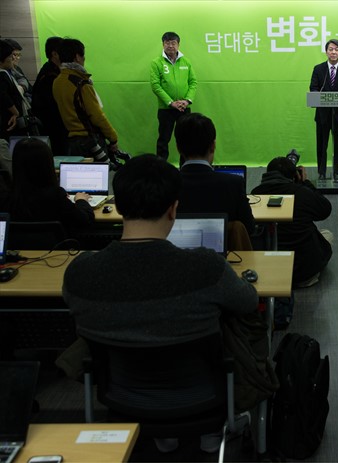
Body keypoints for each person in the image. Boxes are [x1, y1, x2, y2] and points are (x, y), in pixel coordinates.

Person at [62, 154, 258, 453]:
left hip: (121, 397)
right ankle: (212, 432)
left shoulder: (80, 273)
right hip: (204, 395)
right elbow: (248, 303)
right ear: (173, 209)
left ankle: (163, 437)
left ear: (118, 206)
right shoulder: (206, 267)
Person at [251, 156, 333, 288]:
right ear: (295, 175)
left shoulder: (256, 194)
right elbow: (325, 210)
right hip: (304, 274)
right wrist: (305, 182)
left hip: (269, 272)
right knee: (327, 235)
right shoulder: (302, 192)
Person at [174, 112, 254, 234]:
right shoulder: (234, 184)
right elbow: (249, 229)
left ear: (178, 148)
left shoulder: (165, 185)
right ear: (213, 146)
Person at [52, 38, 121, 166]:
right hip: (90, 142)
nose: (84, 59)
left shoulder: (57, 81)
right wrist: (113, 138)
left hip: (71, 142)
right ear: (77, 57)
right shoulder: (81, 84)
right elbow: (97, 116)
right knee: (99, 176)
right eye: (83, 55)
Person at [7, 137, 94, 236]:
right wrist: (81, 200)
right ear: (47, 164)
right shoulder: (56, 196)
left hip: (19, 246)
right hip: (58, 245)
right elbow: (85, 221)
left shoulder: (8, 198)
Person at [309, 39, 338, 181]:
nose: (333, 52)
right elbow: (313, 88)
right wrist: (318, 95)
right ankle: (321, 173)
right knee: (322, 145)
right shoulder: (318, 69)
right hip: (322, 114)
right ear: (326, 51)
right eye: (330, 49)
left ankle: (336, 173)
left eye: (336, 49)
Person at [150, 31, 197, 162]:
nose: (170, 46)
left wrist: (187, 101)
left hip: (184, 108)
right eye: (167, 43)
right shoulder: (156, 63)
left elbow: (193, 82)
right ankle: (161, 167)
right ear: (163, 44)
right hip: (166, 109)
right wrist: (170, 102)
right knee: (163, 139)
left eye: (173, 43)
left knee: (186, 139)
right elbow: (155, 86)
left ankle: (185, 167)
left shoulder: (186, 62)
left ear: (178, 45)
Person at [32, 36, 68, 156]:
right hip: (54, 130)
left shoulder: (53, 71)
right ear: (54, 54)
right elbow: (52, 107)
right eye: (64, 51)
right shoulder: (49, 76)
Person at [0, 40, 22, 171]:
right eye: (10, 56)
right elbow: (2, 95)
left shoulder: (7, 73)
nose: (12, 59)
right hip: (7, 124)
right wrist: (15, 112)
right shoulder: (2, 75)